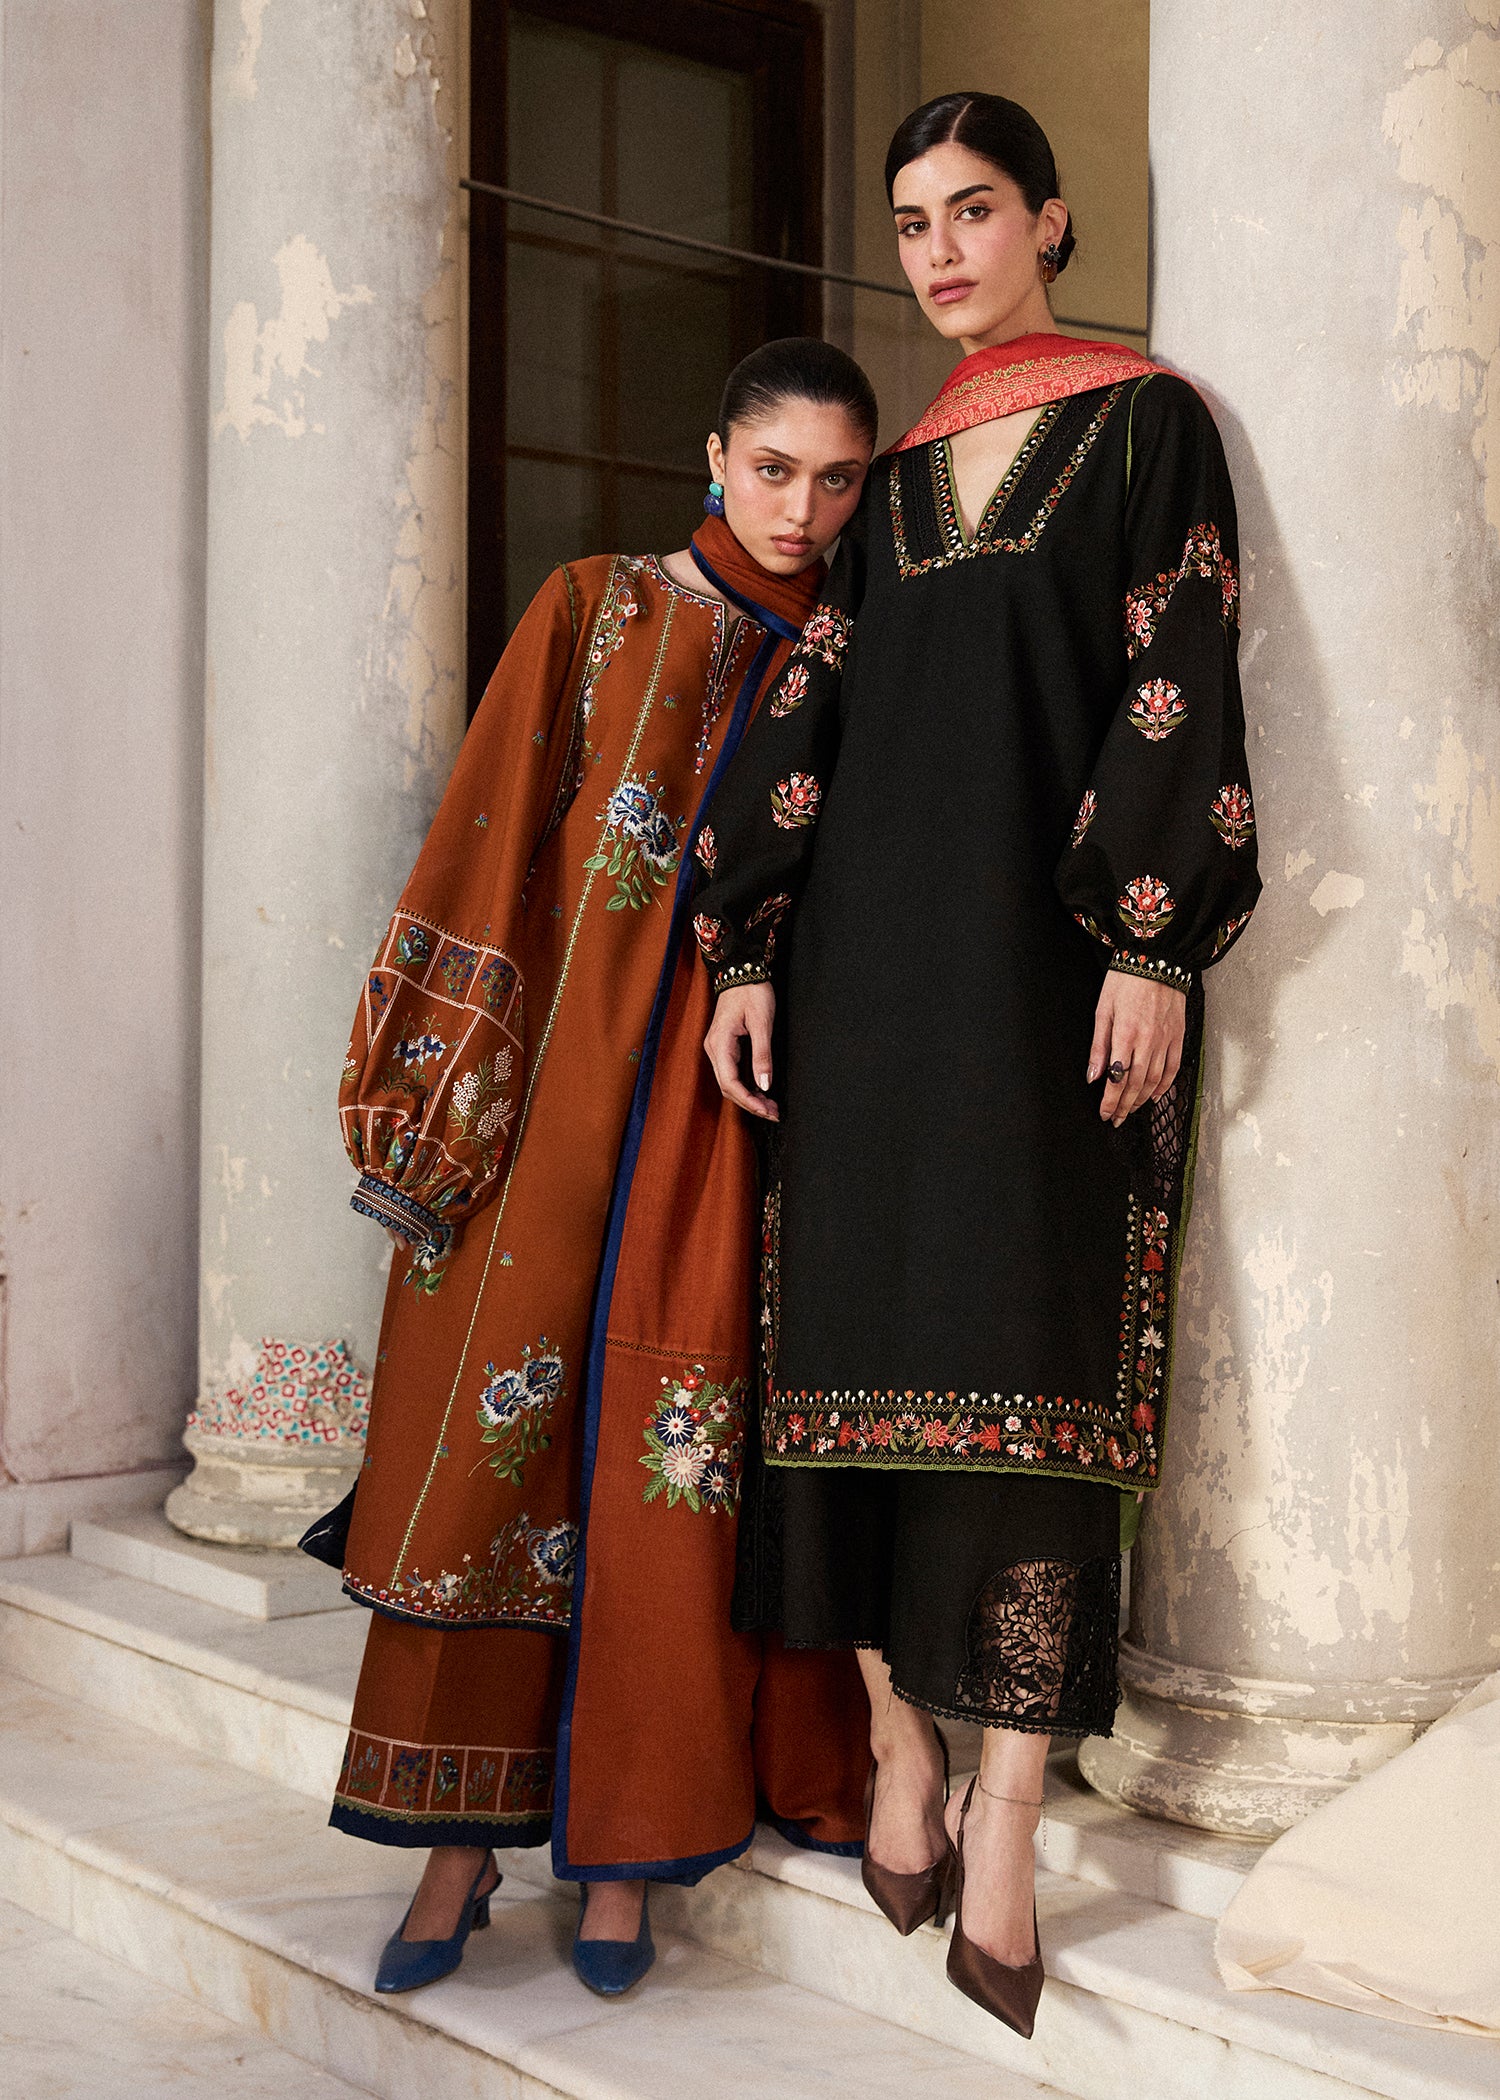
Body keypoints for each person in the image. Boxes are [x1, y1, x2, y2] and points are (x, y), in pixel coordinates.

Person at [696, 94, 1261, 2037]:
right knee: (843, 1364)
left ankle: (1007, 1813)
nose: (941, 251)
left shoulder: (1148, 424)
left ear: (1053, 222)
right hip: (863, 990)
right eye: (913, 221)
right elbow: (813, 707)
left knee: (1031, 1368)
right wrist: (749, 945)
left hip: (1042, 980)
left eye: (976, 211)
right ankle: (898, 1743)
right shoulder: (893, 478)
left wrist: (1154, 939)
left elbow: (1179, 673)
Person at [326, 338, 878, 1999]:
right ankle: (455, 1842)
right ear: (714, 457)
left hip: (738, 1114)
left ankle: (629, 1854)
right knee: (491, 1452)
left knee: (670, 1456)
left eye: (835, 479)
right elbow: (485, 841)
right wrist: (435, 1098)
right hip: (555, 1099)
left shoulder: (867, 654)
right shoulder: (599, 608)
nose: (799, 509)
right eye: (771, 469)